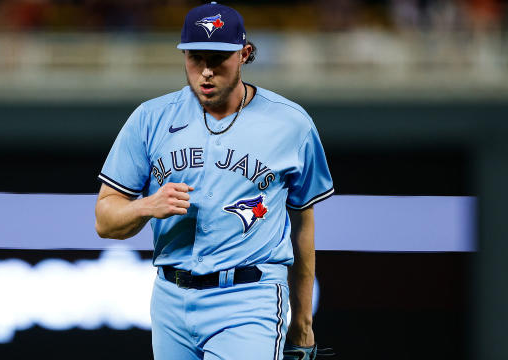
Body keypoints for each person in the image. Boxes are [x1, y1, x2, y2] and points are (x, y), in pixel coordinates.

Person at [94, 2, 334, 359]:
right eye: (195, 57)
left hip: (248, 298)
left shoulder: (291, 124)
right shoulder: (150, 118)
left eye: (218, 58)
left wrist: (302, 325)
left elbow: (302, 222)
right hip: (170, 299)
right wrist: (146, 206)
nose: (205, 71)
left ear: (244, 54)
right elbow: (104, 219)